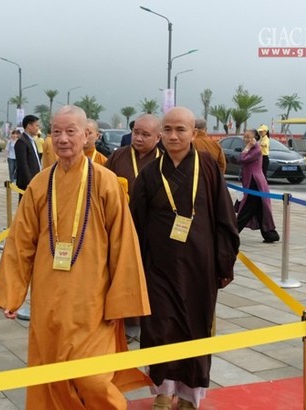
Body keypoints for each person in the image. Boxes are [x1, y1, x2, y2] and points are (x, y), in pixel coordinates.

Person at [0, 105, 151, 409]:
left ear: (86, 135)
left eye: (70, 131)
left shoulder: (105, 182)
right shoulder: (39, 183)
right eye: (56, 132)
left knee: (94, 378)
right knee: (51, 374)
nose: (62, 139)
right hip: (48, 299)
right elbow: (20, 242)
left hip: (92, 301)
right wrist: (12, 294)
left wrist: (123, 299)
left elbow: (123, 244)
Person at [130, 107, 239, 410]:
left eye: (181, 129)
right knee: (159, 328)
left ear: (194, 133)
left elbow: (224, 218)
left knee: (195, 328)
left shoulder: (206, 167)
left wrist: (223, 261)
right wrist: (134, 266)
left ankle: (191, 395)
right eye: (168, 129)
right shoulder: (151, 173)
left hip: (199, 267)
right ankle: (164, 392)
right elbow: (135, 224)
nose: (173, 136)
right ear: (160, 133)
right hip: (159, 267)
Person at [105, 114, 162, 343]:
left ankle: (146, 321)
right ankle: (127, 322)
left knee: (149, 276)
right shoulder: (119, 156)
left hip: (151, 230)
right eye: (136, 132)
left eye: (145, 135)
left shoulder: (164, 161)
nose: (138, 138)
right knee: (122, 274)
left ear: (158, 138)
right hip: (120, 226)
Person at [235, 129, 279, 243]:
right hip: (251, 182)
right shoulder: (251, 149)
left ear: (255, 138)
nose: (246, 139)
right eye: (245, 137)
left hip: (255, 183)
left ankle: (231, 233)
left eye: (249, 137)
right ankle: (270, 234)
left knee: (246, 210)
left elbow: (242, 159)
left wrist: (248, 146)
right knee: (260, 209)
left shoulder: (256, 150)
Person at [15, 115, 42, 194]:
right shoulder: (21, 142)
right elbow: (23, 165)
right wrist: (30, 182)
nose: (38, 128)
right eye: (36, 125)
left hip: (35, 180)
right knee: (25, 205)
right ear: (29, 126)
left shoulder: (32, 141)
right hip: (27, 183)